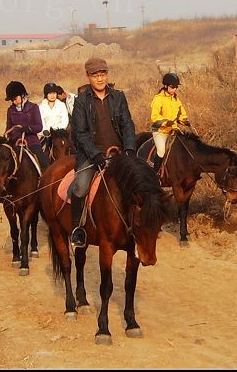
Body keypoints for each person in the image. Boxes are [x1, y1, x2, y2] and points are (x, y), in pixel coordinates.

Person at [69, 57, 137, 249]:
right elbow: (80, 133)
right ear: (88, 76)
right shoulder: (81, 101)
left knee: (142, 182)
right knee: (80, 186)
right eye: (95, 75)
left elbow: (127, 124)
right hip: (92, 156)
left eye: (103, 74)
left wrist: (130, 149)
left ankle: (143, 225)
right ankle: (78, 229)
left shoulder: (119, 97)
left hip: (118, 153)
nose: (99, 79)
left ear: (107, 74)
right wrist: (95, 155)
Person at [149, 72, 191, 173]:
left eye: (176, 87)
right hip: (160, 132)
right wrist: (167, 123)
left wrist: (184, 120)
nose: (175, 89)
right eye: (172, 87)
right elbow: (155, 117)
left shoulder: (176, 100)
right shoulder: (158, 99)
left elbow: (181, 113)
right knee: (161, 151)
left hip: (173, 130)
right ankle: (154, 174)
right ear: (165, 86)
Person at [4, 80, 50, 169]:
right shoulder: (10, 110)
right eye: (11, 100)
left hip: (31, 141)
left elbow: (39, 127)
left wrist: (28, 128)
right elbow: (8, 127)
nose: (13, 102)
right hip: (15, 142)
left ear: (22, 95)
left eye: (14, 99)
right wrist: (7, 135)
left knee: (45, 163)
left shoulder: (33, 107)